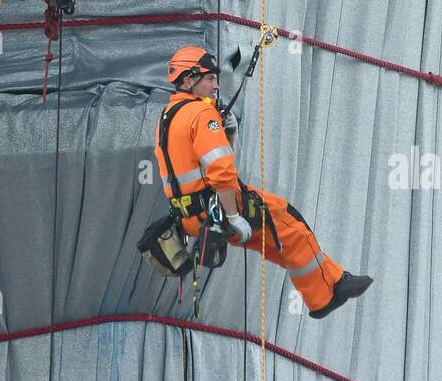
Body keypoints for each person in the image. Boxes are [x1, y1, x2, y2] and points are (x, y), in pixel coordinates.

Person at [154, 47, 373, 318]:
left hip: (192, 217)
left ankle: (336, 279)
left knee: (278, 239)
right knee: (292, 227)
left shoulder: (169, 115)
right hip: (220, 207)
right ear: (189, 80)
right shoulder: (201, 114)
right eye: (210, 79)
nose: (216, 85)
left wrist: (229, 131)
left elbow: (200, 162)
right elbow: (221, 172)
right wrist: (234, 216)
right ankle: (324, 297)